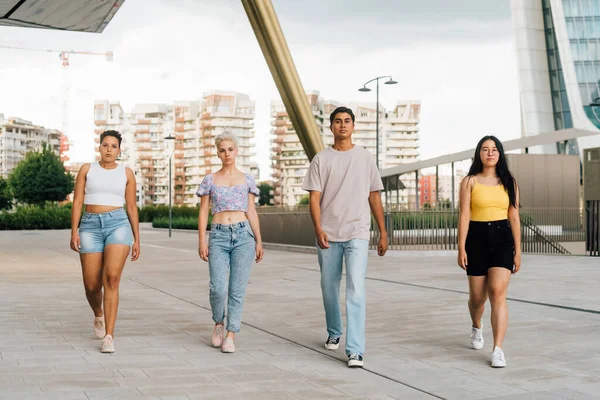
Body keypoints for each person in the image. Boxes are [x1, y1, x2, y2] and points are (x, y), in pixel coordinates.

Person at [302, 106, 388, 368]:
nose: (342, 125)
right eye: (337, 121)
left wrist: (383, 232)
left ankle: (355, 350)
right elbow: (314, 198)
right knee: (329, 288)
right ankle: (334, 330)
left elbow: (374, 195)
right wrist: (318, 229)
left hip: (358, 232)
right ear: (331, 127)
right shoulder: (321, 159)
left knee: (356, 289)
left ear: (353, 126)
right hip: (328, 233)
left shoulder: (365, 158)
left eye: (347, 121)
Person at [70, 130, 140, 353]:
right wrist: (74, 230)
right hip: (89, 225)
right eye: (105, 145)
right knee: (92, 285)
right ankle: (98, 314)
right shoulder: (86, 169)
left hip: (118, 224)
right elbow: (78, 200)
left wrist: (137, 238)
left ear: (120, 150)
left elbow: (131, 207)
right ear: (99, 147)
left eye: (114, 146)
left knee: (111, 278)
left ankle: (109, 336)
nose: (109, 149)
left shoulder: (126, 173)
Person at [457, 135, 521, 368]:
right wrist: (461, 247)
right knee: (477, 298)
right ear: (479, 154)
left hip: (503, 238)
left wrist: (518, 251)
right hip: (476, 238)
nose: (490, 153)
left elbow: (514, 216)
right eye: (485, 149)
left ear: (500, 153)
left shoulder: (509, 182)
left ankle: (498, 349)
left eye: (494, 149)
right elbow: (464, 215)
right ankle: (476, 325)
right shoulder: (469, 182)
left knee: (497, 292)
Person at [197, 130, 263, 354]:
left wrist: (259, 241)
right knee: (218, 287)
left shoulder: (247, 180)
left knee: (237, 289)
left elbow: (252, 211)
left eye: (231, 150)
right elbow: (203, 211)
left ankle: (231, 334)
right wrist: (202, 240)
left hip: (244, 236)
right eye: (223, 150)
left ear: (237, 151)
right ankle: (218, 322)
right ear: (218, 153)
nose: (227, 154)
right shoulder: (210, 180)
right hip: (218, 235)